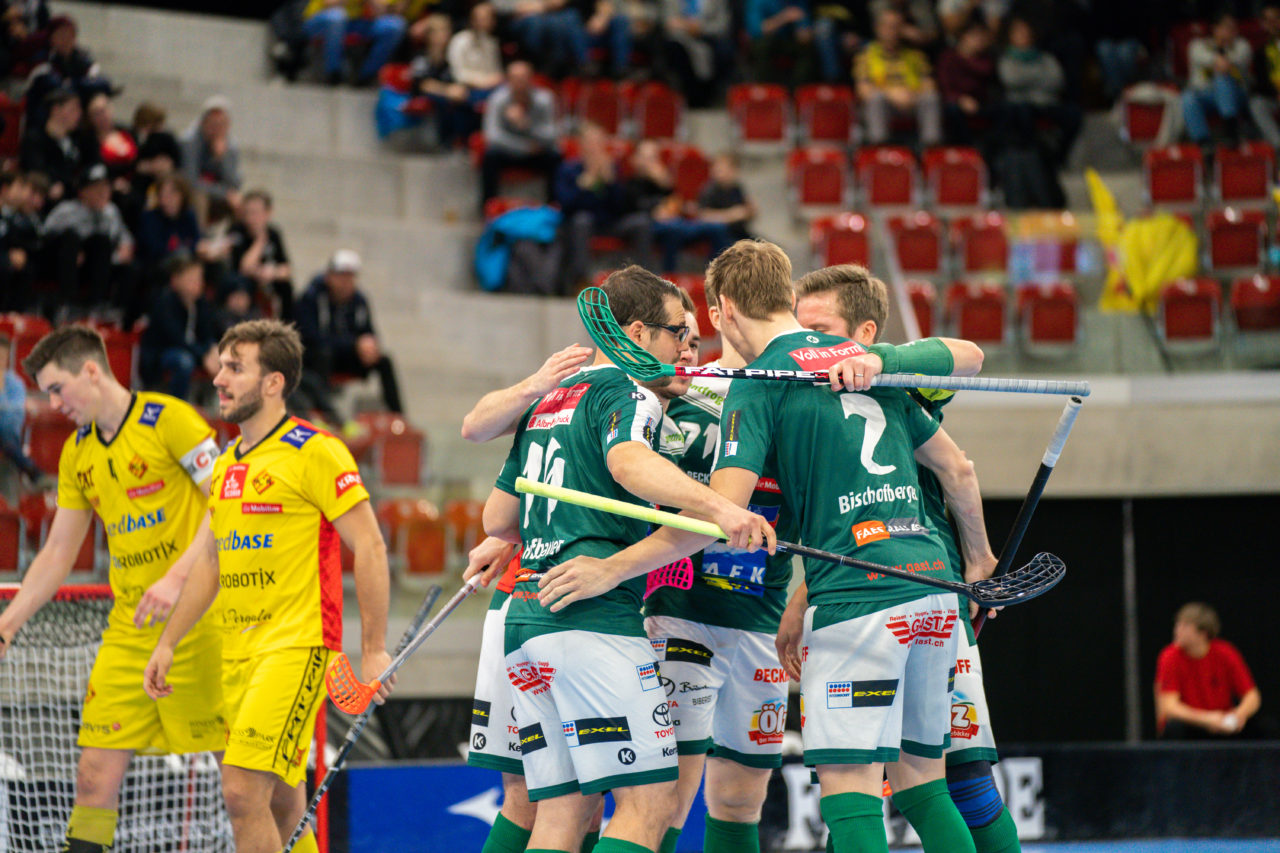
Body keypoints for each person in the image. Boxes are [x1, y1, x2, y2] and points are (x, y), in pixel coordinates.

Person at [536, 240, 993, 853]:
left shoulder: (760, 385)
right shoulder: (865, 363)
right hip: (932, 585)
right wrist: (979, 560)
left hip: (854, 599)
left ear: (723, 308)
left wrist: (611, 569)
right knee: (923, 785)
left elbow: (715, 516)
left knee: (849, 788)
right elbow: (958, 467)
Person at [480, 265, 775, 853]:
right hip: (592, 620)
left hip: (529, 616)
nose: (683, 349)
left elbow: (498, 519)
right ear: (638, 333)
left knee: (560, 815)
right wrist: (721, 508)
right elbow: (627, 463)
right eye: (676, 334)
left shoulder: (551, 399)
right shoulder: (628, 390)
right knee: (649, 805)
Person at [788, 264, 1022, 853]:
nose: (806, 341)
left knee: (963, 780)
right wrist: (799, 600)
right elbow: (839, 525)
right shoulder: (803, 392)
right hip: (859, 592)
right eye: (798, 327)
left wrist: (979, 560)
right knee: (874, 785)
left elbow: (969, 355)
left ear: (865, 332)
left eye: (821, 329)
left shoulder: (904, 379)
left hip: (928, 589)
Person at [143, 319, 394, 853]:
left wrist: (373, 648)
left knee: (240, 792)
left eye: (235, 368)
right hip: (237, 652)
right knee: (281, 801)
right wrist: (168, 640)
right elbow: (211, 561)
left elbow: (371, 545)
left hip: (295, 648)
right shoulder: (228, 462)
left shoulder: (316, 450)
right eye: (221, 366)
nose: (218, 378)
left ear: (274, 382)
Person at [0, 325, 225, 853]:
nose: (55, 405)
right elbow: (58, 552)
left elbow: (226, 503)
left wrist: (177, 577)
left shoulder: (170, 420)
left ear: (91, 371)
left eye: (58, 389)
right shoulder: (77, 454)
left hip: (201, 622)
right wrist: (7, 624)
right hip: (130, 629)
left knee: (243, 783)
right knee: (92, 778)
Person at [295, 249, 405, 414]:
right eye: (341, 276)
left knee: (384, 361)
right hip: (316, 357)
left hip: (348, 355)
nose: (345, 282)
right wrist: (354, 344)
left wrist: (370, 347)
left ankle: (397, 414)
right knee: (323, 354)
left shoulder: (359, 301)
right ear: (329, 276)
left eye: (350, 277)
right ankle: (325, 412)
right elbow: (311, 337)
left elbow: (368, 331)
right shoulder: (311, 298)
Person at [555, 123, 654, 289]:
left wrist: (611, 183)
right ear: (581, 144)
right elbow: (566, 205)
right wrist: (584, 184)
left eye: (598, 142)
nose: (595, 147)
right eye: (590, 142)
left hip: (610, 223)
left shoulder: (612, 168)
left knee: (641, 222)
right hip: (582, 224)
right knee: (582, 220)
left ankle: (645, 282)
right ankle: (581, 280)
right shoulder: (569, 169)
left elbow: (621, 208)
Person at [41, 162, 136, 321]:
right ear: (83, 191)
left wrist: (125, 246)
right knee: (71, 239)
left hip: (96, 267)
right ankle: (66, 305)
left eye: (106, 187)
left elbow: (124, 238)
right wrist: (72, 250)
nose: (103, 192)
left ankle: (102, 308)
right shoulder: (66, 211)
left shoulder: (111, 212)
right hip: (64, 267)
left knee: (105, 244)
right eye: (97, 188)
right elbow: (45, 239)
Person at [1155, 602, 1262, 739]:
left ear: (1203, 633)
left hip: (1222, 724)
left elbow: (1252, 696)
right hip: (1192, 726)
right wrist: (1207, 719)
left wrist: (1239, 714)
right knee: (1174, 728)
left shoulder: (1225, 653)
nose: (1177, 630)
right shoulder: (1170, 656)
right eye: (1177, 625)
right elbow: (1169, 707)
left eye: (1185, 626)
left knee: (1265, 727)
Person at [997, 16, 1080, 170]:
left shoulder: (1046, 57)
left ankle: (1059, 157)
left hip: (1048, 102)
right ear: (1010, 36)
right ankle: (1034, 158)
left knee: (1074, 114)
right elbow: (1012, 80)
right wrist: (1040, 76)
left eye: (1026, 31)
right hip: (1023, 105)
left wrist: (1027, 78)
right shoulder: (1007, 59)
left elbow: (1057, 80)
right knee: (1022, 112)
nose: (1024, 35)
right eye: (1019, 32)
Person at [139, 253, 221, 403]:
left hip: (191, 350)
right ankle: (177, 405)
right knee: (184, 361)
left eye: (199, 278)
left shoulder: (201, 303)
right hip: (161, 354)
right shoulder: (165, 302)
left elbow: (208, 332)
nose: (197, 283)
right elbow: (176, 339)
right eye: (191, 278)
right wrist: (203, 354)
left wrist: (212, 348)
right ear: (175, 280)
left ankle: (211, 408)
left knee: (221, 357)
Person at [478, 61, 560, 212]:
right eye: (515, 78)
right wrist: (525, 147)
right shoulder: (497, 99)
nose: (520, 83)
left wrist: (527, 125)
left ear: (531, 79)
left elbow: (553, 134)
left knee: (555, 156)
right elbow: (492, 136)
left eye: (523, 78)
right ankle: (488, 207)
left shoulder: (545, 99)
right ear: (508, 80)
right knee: (490, 156)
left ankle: (553, 208)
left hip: (538, 151)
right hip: (510, 151)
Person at [855, 8, 942, 147]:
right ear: (878, 28)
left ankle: (931, 147)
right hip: (886, 104)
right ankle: (879, 145)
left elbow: (930, 84)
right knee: (876, 99)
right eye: (888, 26)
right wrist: (892, 94)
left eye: (896, 27)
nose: (892, 31)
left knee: (931, 98)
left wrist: (912, 95)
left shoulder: (916, 56)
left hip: (912, 101)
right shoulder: (866, 55)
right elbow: (863, 90)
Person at [1182, 11, 1252, 148]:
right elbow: (1208, 59)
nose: (1232, 31)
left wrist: (1223, 58)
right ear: (1215, 28)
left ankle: (1231, 130)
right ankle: (1204, 142)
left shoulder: (1242, 45)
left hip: (1237, 95)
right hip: (1207, 95)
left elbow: (1236, 60)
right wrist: (1218, 58)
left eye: (1234, 27)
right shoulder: (1198, 45)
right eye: (1227, 27)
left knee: (1222, 79)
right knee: (1187, 97)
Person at [19, 87, 94, 208]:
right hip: (47, 198)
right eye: (73, 109)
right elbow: (36, 169)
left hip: (76, 198)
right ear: (56, 110)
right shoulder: (35, 138)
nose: (79, 114)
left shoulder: (79, 139)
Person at [225, 189, 294, 320]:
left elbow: (287, 268)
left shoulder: (274, 233)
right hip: (242, 284)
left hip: (268, 280)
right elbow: (244, 267)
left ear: (268, 213)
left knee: (286, 287)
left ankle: (285, 324)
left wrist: (273, 272)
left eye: (256, 212)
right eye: (248, 212)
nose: (251, 218)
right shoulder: (237, 231)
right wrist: (260, 240)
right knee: (243, 286)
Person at [303, 0, 408, 86]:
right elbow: (330, 3)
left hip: (358, 24)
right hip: (320, 19)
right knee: (337, 16)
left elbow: (381, 13)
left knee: (395, 25)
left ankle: (365, 76)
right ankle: (333, 73)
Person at [180, 96, 243, 213]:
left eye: (221, 125)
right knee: (200, 198)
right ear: (203, 123)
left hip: (216, 192)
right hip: (190, 192)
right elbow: (190, 181)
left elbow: (235, 184)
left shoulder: (231, 146)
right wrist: (224, 193)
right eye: (213, 124)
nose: (217, 130)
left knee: (241, 204)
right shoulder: (190, 142)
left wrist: (222, 158)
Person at [0, 332, 45, 484]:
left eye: (2, 357)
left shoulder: (16, 384)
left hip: (10, 436)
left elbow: (15, 417)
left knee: (5, 431)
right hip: (9, 441)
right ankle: (31, 470)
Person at [1250, 3, 1280, 148]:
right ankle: (1278, 145)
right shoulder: (1261, 51)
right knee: (1256, 104)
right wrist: (1276, 92)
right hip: (1274, 96)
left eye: (1276, 18)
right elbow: (1261, 82)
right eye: (1268, 20)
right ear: (1263, 24)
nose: (1272, 23)